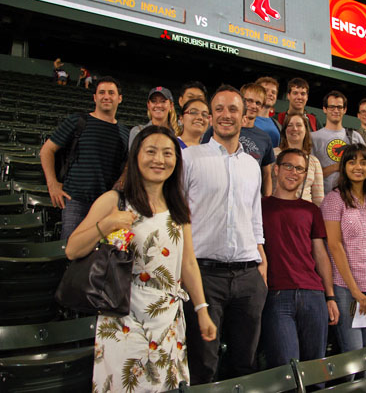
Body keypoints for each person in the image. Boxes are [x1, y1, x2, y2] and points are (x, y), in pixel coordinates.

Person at [65, 125, 217, 392]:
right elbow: (73, 249)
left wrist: (201, 309)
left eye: (168, 153)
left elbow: (188, 263)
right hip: (124, 315)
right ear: (136, 157)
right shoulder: (114, 200)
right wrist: (107, 223)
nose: (159, 160)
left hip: (169, 319)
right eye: (151, 151)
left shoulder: (179, 208)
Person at [182, 85, 267, 383]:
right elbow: (177, 218)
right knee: (204, 365)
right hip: (204, 276)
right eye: (218, 109)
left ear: (244, 117)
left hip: (248, 278)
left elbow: (255, 217)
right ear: (210, 116)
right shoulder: (190, 158)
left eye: (233, 109)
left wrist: (262, 263)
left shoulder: (252, 166)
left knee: (245, 364)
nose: (225, 115)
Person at [261, 148, 339, 368]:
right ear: (276, 169)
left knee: (315, 370)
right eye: (288, 166)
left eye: (299, 169)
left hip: (313, 295)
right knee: (287, 368)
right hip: (276, 296)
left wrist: (330, 296)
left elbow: (320, 254)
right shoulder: (259, 206)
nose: (293, 172)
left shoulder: (311, 210)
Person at [40, 76, 130, 239]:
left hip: (106, 205)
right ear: (95, 97)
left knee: (101, 258)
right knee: (70, 254)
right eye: (101, 92)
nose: (106, 96)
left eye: (111, 93)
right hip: (76, 201)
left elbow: (128, 163)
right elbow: (47, 150)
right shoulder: (78, 121)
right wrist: (52, 183)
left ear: (120, 98)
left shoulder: (124, 132)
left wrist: (122, 179)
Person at [321, 143, 366, 353]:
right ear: (344, 167)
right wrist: (355, 291)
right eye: (352, 162)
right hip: (345, 288)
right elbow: (334, 245)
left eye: (363, 162)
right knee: (354, 352)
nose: (358, 167)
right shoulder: (334, 200)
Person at [201, 83, 275, 196]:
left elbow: (266, 174)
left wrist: (267, 201)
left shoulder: (265, 138)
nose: (252, 105)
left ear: (261, 107)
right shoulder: (218, 129)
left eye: (258, 103)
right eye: (248, 101)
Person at [311, 90, 365, 194]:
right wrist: (336, 167)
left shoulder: (355, 137)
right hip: (322, 198)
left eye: (339, 107)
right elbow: (309, 174)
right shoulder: (313, 138)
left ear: (344, 110)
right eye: (331, 107)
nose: (336, 110)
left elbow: (365, 168)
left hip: (351, 197)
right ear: (324, 109)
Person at [274, 113, 325, 206]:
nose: (295, 128)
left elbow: (319, 200)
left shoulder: (313, 161)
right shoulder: (273, 155)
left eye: (299, 125)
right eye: (290, 125)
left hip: (304, 215)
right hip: (276, 211)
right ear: (284, 130)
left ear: (306, 130)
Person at [254, 76, 282, 147]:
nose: (270, 94)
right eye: (266, 90)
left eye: (274, 92)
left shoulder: (278, 125)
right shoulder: (244, 119)